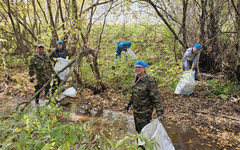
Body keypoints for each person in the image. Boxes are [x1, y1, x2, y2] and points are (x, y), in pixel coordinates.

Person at [125, 61, 164, 149]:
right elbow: (133, 94)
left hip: (145, 112)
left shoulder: (149, 81)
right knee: (138, 131)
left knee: (145, 132)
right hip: (136, 111)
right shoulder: (136, 79)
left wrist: (159, 113)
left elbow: (156, 98)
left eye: (139, 67)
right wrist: (128, 104)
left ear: (144, 68)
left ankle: (144, 147)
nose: (137, 69)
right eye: (135, 67)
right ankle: (139, 146)